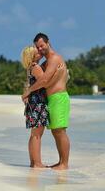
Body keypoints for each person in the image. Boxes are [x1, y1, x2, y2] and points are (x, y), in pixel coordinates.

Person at [22, 33, 70, 170]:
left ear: (48, 42)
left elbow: (43, 81)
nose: (40, 49)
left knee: (60, 131)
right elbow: (40, 79)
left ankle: (64, 163)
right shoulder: (43, 63)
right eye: (38, 47)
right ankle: (61, 162)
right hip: (50, 99)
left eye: (42, 45)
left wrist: (28, 91)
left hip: (59, 98)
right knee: (56, 132)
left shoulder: (54, 59)